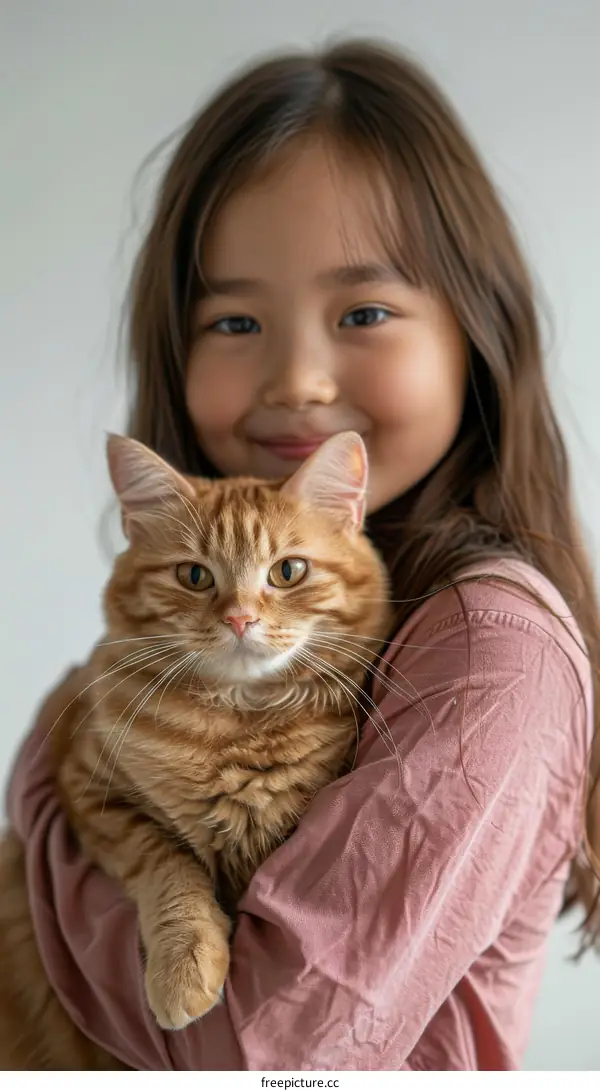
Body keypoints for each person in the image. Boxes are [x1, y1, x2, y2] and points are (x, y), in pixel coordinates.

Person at [5, 39, 600, 1071]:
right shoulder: (353, 593)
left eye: (363, 312)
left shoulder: (489, 649)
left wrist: (39, 785)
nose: (298, 380)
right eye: (236, 319)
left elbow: (266, 1054)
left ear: (479, 328)